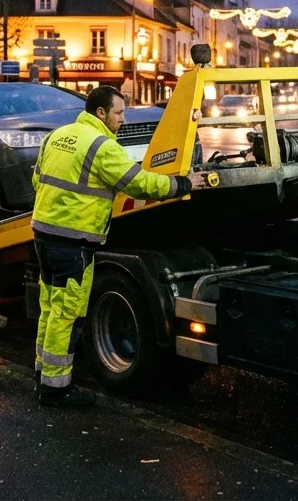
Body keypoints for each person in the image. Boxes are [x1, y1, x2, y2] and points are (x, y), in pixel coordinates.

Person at [30, 85, 192, 407]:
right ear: (101, 113)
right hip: (73, 242)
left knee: (50, 308)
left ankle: (43, 374)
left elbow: (37, 180)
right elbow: (141, 184)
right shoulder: (102, 147)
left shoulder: (56, 136)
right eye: (119, 112)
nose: (123, 118)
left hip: (44, 236)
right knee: (68, 315)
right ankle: (55, 389)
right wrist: (182, 184)